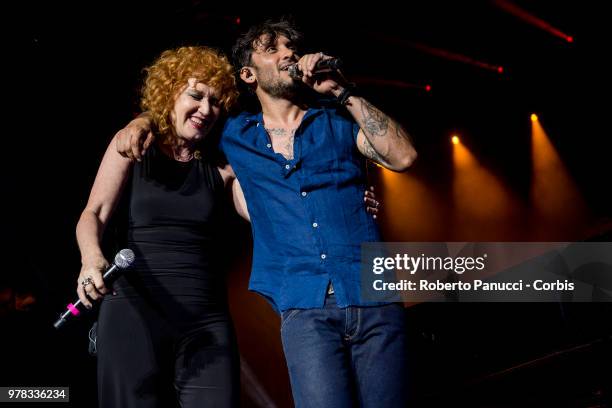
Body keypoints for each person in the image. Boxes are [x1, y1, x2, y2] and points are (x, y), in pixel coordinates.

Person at [115, 18, 414, 408]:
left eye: (291, 46)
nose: (288, 53)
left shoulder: (335, 120)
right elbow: (182, 115)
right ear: (248, 74)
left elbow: (404, 156)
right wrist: (142, 120)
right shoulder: (235, 136)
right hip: (304, 309)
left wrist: (341, 91)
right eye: (272, 48)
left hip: (373, 294)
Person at [76, 46, 245, 408]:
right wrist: (91, 260)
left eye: (216, 102)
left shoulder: (225, 167)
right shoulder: (133, 145)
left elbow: (267, 215)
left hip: (205, 319)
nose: (205, 109)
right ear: (169, 93)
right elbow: (93, 213)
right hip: (133, 310)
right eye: (196, 96)